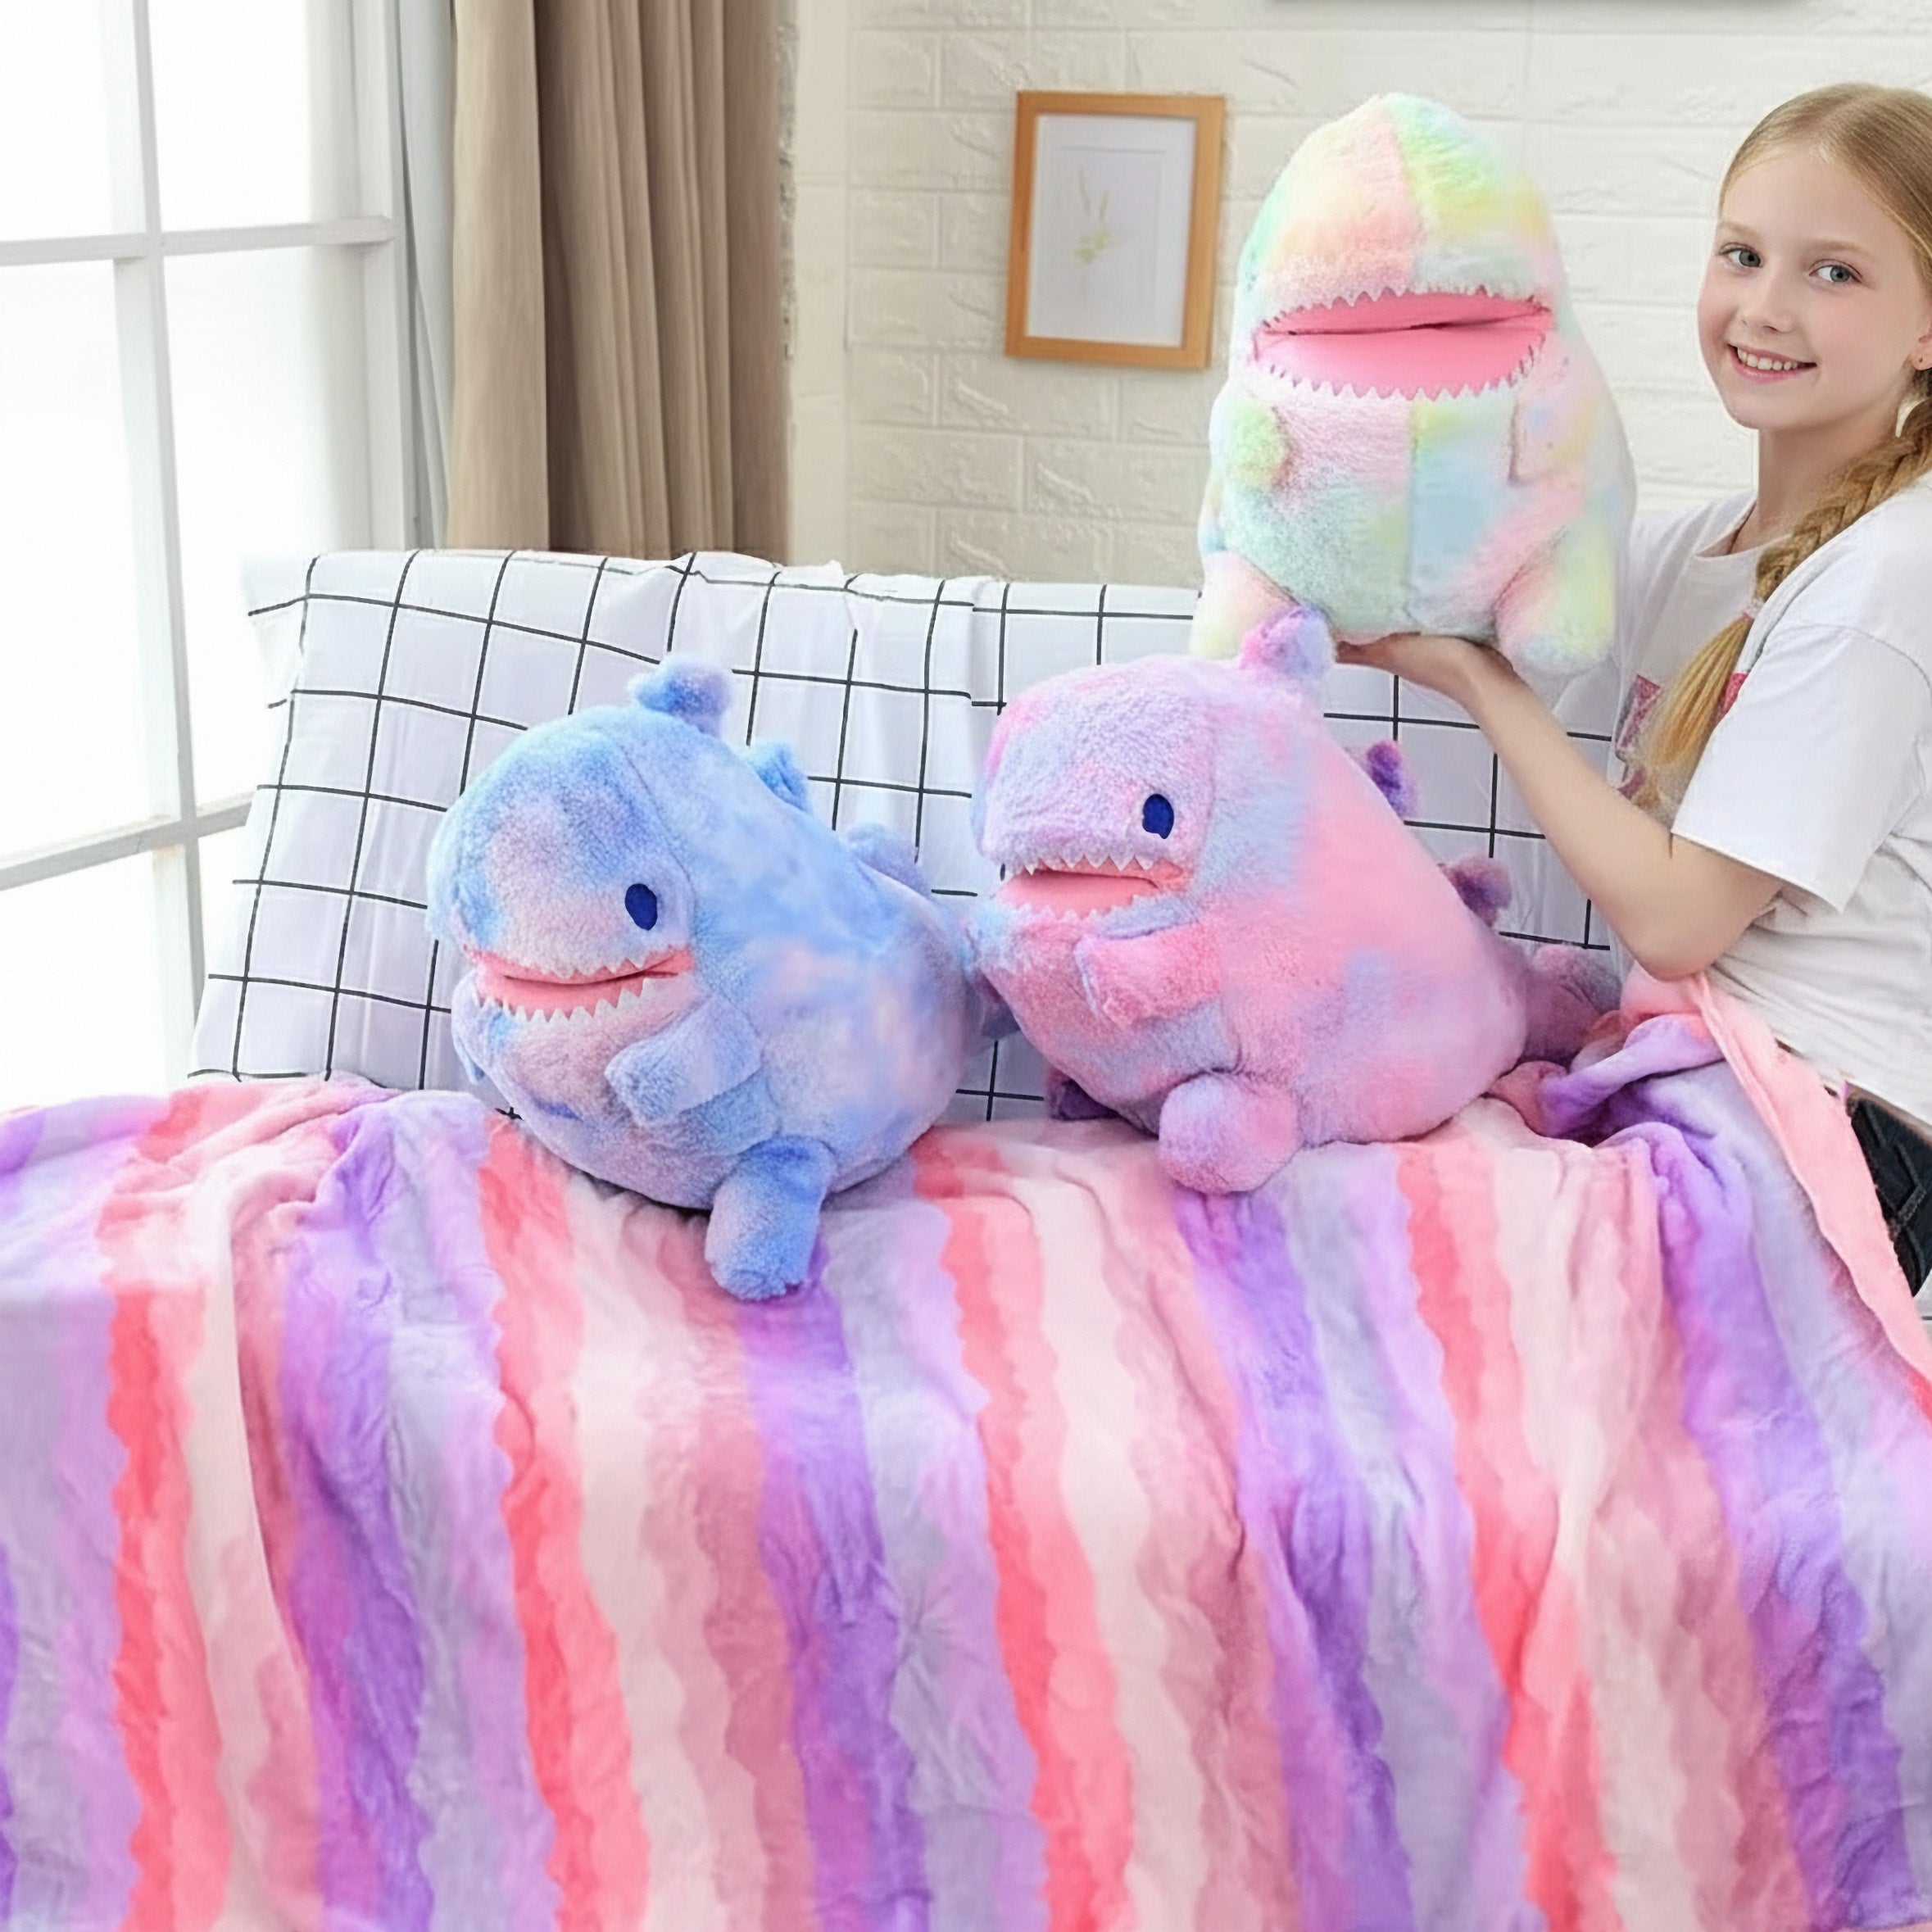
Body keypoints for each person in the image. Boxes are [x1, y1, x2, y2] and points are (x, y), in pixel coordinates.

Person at [1336, 83, 1932, 1294]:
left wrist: (1482, 686)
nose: (1765, 307)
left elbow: (1676, 920)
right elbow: (1468, 588)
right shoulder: (1693, 551)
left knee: (1405, 1252)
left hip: (1842, 1151)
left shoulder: (1888, 578)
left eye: (1834, 273)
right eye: (1742, 254)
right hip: (1720, 1096)